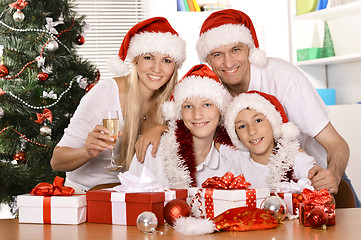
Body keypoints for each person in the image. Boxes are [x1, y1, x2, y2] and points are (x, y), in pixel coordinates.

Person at [196, 9, 351, 197]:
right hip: (262, 189)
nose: (228, 62)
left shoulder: (284, 78)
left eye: (235, 49)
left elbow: (336, 143)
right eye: (217, 54)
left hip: (316, 179)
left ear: (249, 50)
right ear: (208, 59)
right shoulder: (210, 92)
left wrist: (333, 174)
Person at [50, 17, 186, 193]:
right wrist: (87, 152)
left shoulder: (172, 101)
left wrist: (161, 129)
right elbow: (57, 161)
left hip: (131, 198)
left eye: (166, 60)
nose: (157, 69)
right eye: (148, 57)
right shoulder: (107, 92)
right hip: (84, 196)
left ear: (175, 66)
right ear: (136, 60)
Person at [128, 64, 236, 188]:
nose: (197, 115)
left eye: (206, 105)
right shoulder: (152, 150)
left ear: (221, 110)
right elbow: (130, 197)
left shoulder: (233, 157)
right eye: (188, 106)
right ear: (179, 113)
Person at [220, 90, 321, 189]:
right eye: (242, 126)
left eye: (258, 120)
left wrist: (322, 182)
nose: (251, 131)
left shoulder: (297, 160)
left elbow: (325, 193)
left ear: (273, 124)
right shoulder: (236, 157)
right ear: (236, 135)